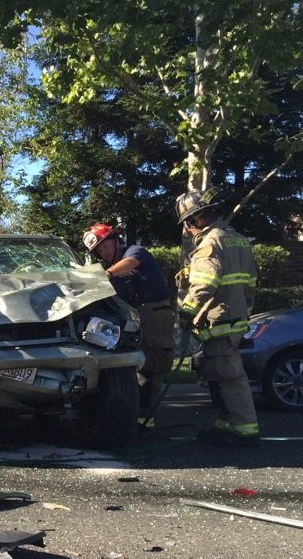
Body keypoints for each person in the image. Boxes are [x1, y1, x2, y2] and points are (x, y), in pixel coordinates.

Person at [175, 187, 260, 447]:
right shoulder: (239, 240)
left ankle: (245, 431)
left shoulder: (210, 243)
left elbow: (204, 284)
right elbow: (251, 284)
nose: (188, 229)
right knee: (220, 376)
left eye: (188, 223)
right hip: (233, 318)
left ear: (198, 218)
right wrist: (243, 313)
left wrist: (186, 313)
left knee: (231, 377)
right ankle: (226, 426)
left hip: (218, 319)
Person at [83, 223, 174, 428]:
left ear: (115, 241)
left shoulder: (134, 252)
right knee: (129, 364)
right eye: (99, 250)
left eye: (105, 246)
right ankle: (132, 417)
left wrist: (106, 275)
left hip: (156, 314)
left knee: (153, 365)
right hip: (131, 317)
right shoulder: (111, 272)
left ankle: (144, 420)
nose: (103, 252)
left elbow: (130, 263)